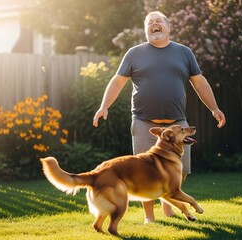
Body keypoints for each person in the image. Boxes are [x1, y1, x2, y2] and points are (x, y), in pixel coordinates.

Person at [93, 11, 226, 223]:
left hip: (177, 124)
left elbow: (199, 82)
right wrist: (103, 106)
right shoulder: (134, 53)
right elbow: (118, 82)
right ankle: (149, 217)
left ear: (168, 27)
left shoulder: (184, 52)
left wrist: (214, 108)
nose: (154, 25)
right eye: (150, 23)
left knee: (182, 171)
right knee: (144, 173)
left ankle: (168, 207)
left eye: (159, 21)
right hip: (144, 123)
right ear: (146, 30)